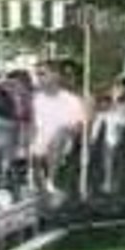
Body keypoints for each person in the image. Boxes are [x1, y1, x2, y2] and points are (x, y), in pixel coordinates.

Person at [31, 58, 88, 193]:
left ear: (55, 76)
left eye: (42, 74)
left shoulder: (71, 101)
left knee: (56, 137)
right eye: (37, 74)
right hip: (38, 139)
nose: (39, 78)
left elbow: (79, 127)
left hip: (63, 141)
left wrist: (62, 129)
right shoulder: (35, 99)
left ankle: (51, 180)